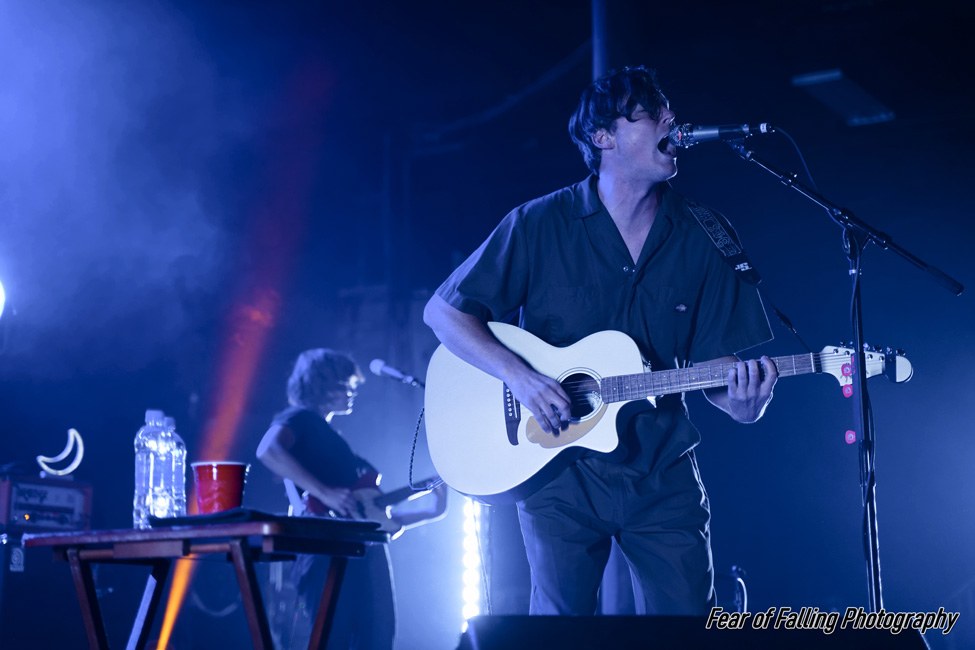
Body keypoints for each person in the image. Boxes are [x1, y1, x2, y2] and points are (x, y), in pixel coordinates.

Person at [423, 65, 777, 616]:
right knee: (560, 635)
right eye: (651, 111)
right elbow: (443, 314)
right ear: (603, 136)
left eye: (669, 108)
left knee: (690, 631)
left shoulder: (707, 234)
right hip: (556, 471)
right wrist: (520, 376)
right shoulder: (538, 223)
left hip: (662, 473)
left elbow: (719, 373)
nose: (670, 117)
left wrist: (746, 404)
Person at [256, 348, 447, 649]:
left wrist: (431, 512)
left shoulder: (333, 439)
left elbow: (370, 516)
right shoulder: (299, 418)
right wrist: (325, 492)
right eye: (344, 385)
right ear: (319, 385)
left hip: (360, 549)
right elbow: (268, 450)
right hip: (326, 549)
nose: (352, 392)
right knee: (336, 639)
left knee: (376, 639)